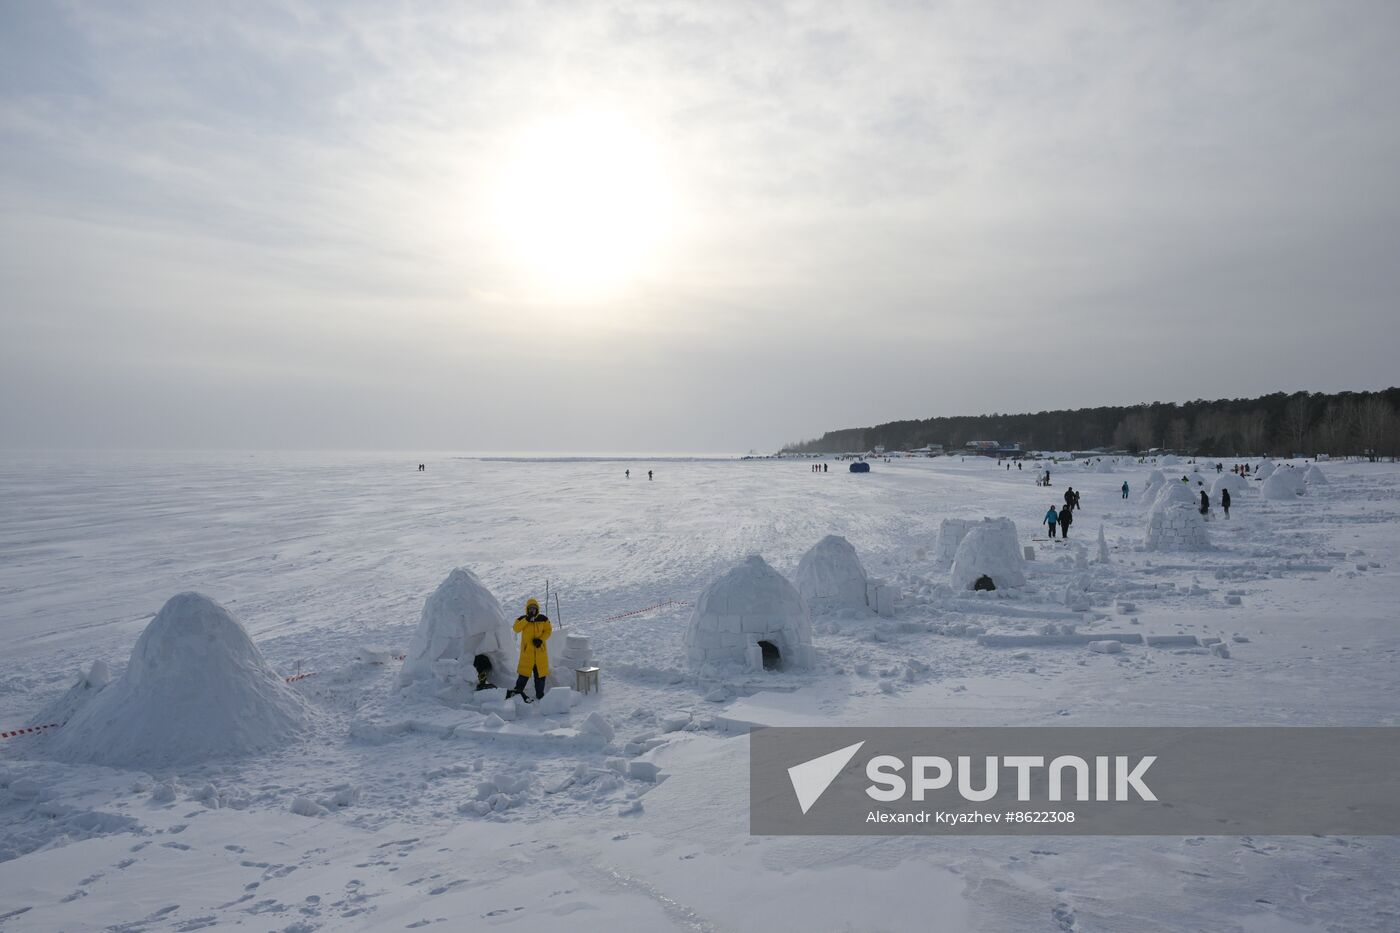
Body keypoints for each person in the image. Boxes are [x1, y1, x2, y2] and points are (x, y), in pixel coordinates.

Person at [509, 598, 551, 702]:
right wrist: (527, 619)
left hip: (540, 653)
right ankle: (517, 693)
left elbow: (548, 630)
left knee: (540, 676)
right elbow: (516, 628)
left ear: (538, 609)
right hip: (527, 654)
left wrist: (541, 640)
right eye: (530, 608)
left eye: (534, 608)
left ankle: (540, 696)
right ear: (527, 609)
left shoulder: (543, 619)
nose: (532, 610)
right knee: (523, 675)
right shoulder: (522, 619)